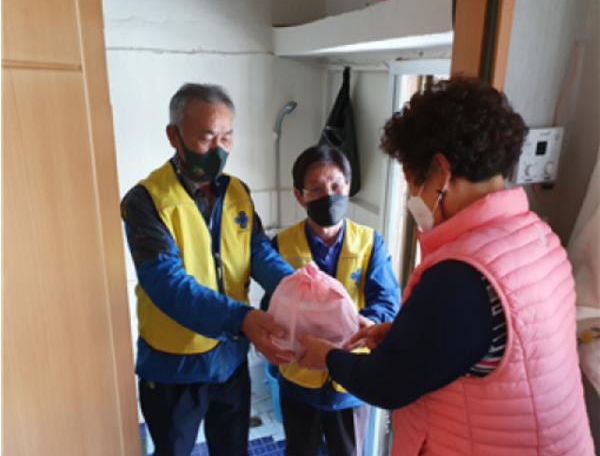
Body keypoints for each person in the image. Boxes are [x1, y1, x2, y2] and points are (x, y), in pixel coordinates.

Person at [297, 77, 595, 455]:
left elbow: (388, 383)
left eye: (411, 181)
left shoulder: (462, 275)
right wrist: (404, 336)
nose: (412, 196)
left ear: (440, 171)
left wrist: (326, 356)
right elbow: (487, 344)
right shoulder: (538, 238)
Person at [121, 83, 295, 456]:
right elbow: (166, 284)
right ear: (174, 136)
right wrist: (243, 318)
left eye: (226, 137)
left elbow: (257, 250)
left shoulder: (238, 192)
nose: (218, 149)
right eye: (206, 137)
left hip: (230, 360)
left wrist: (295, 287)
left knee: (232, 449)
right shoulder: (145, 201)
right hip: (174, 367)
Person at [261, 145, 400, 456]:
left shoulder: (369, 242)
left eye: (336, 186)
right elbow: (271, 306)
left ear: (348, 188)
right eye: (316, 189)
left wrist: (368, 323)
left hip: (350, 381)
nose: (329, 196)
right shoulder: (282, 244)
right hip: (299, 379)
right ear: (300, 196)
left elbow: (387, 301)